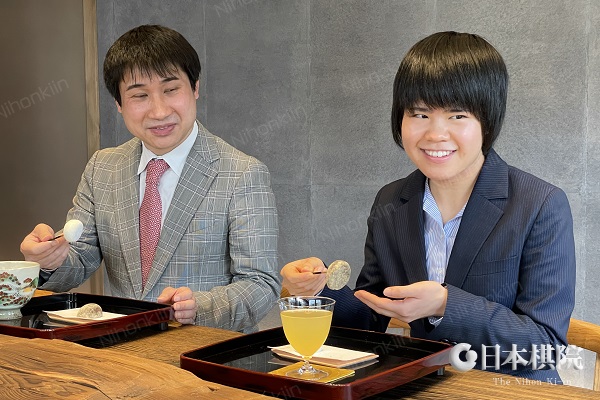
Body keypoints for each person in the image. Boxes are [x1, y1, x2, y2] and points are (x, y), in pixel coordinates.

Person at [281, 31, 575, 382]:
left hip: (508, 389)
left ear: (488, 121)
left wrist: (446, 305)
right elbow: (370, 320)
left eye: (457, 115)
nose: (435, 134)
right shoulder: (391, 201)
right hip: (422, 386)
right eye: (419, 114)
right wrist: (319, 290)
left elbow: (546, 347)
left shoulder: (540, 204)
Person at [20, 25, 280, 333]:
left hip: (202, 352)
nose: (158, 111)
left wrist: (199, 306)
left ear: (195, 87)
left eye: (171, 90)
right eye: (140, 95)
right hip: (121, 350)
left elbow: (261, 284)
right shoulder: (103, 168)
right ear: (119, 104)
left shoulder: (242, 173)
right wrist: (48, 260)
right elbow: (79, 259)